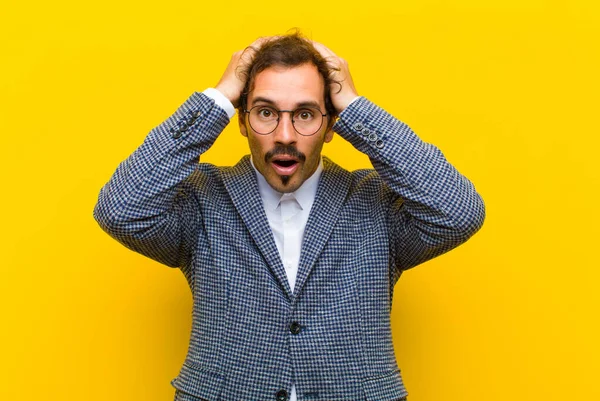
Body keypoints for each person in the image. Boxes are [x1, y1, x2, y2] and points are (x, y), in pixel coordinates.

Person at [94, 32, 485, 401]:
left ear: (331, 126)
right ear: (242, 121)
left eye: (305, 114)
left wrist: (356, 108)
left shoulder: (375, 204)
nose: (284, 135)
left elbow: (459, 212)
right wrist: (216, 99)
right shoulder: (202, 199)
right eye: (265, 112)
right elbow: (120, 210)